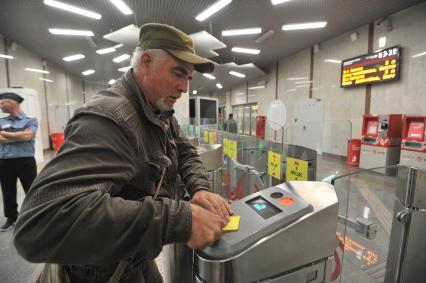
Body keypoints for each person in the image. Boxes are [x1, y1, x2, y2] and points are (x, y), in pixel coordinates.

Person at [13, 23, 233, 283]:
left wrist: (199, 188)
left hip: (136, 256)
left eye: (188, 78)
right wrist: (178, 219)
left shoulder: (159, 111)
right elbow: (41, 222)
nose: (185, 87)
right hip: (101, 271)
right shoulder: (110, 117)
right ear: (147, 62)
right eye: (178, 73)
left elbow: (183, 148)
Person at [0, 92, 38, 232]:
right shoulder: (1, 121)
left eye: (3, 103)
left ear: (12, 103)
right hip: (5, 161)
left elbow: (28, 136)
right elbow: (0, 139)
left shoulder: (31, 120)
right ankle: (11, 218)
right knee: (7, 190)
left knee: (31, 189)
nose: (0, 105)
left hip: (25, 161)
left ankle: (34, 215)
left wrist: (7, 134)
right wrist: (20, 135)